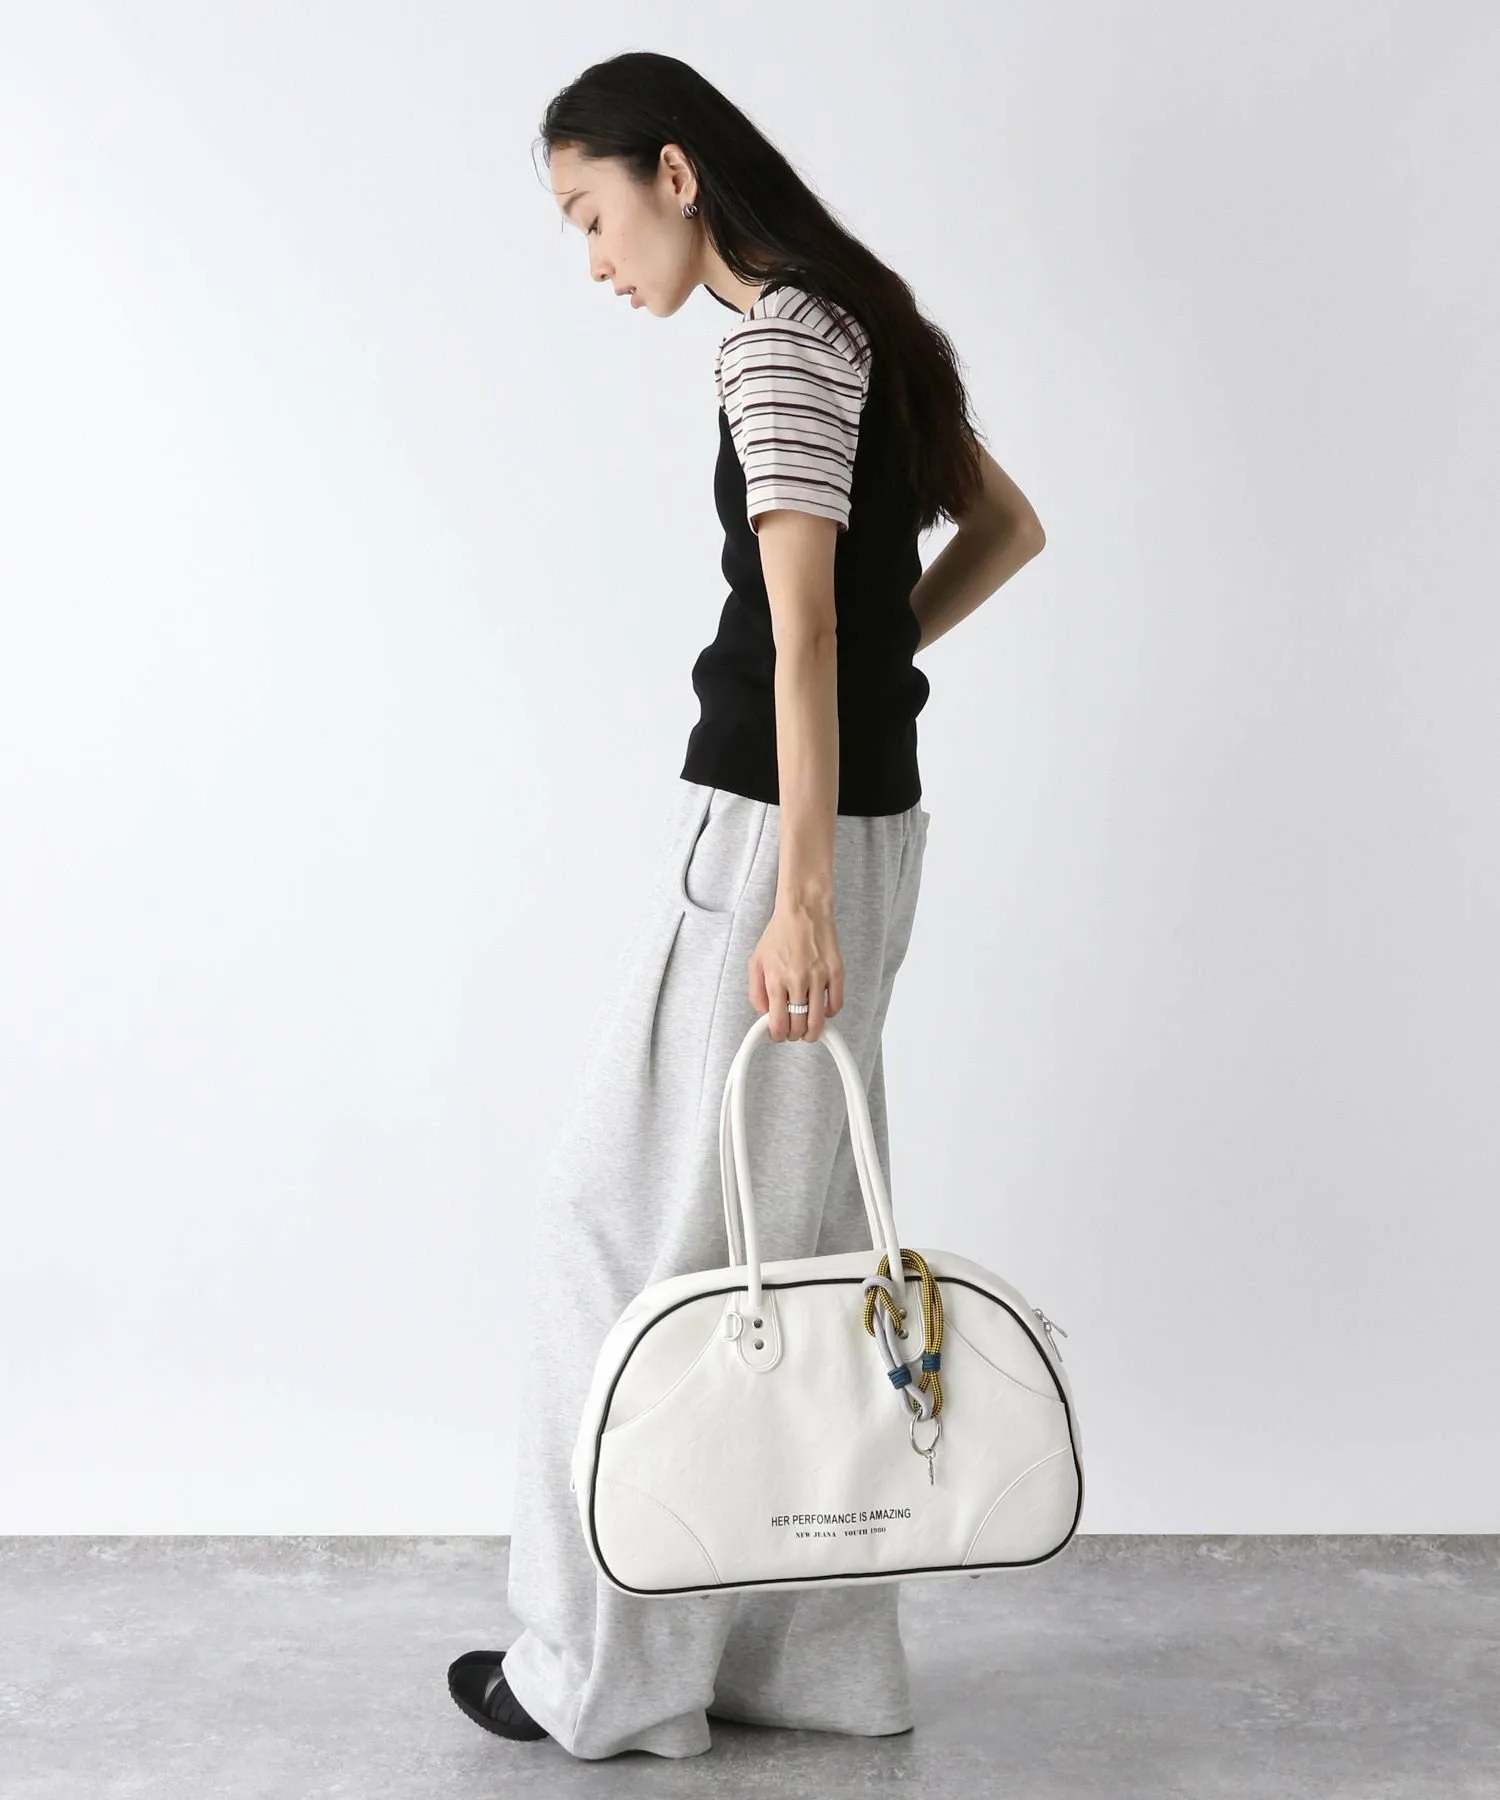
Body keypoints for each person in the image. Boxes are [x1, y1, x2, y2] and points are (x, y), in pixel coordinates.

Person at [446, 49, 1047, 1762]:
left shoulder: (775, 340)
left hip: (779, 844)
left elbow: (803, 631)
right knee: (797, 1247)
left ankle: (604, 1676)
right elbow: (1003, 528)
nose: (592, 258)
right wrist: (864, 715)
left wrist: (793, 898)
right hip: (870, 829)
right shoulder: (862, 322)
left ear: (677, 173)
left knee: (626, 1238)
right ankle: (811, 1666)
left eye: (591, 212)